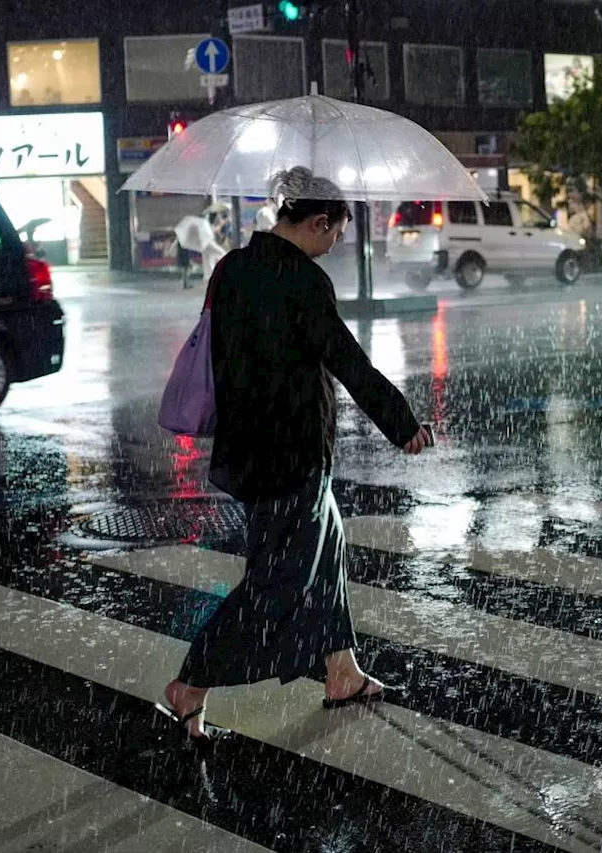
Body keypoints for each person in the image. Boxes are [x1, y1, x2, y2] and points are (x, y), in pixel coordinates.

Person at [160, 166, 431, 748]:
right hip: (291, 456)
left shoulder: (233, 267)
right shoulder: (302, 282)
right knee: (276, 582)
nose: (335, 245)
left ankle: (341, 672)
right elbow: (347, 359)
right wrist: (401, 423)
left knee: (326, 551)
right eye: (335, 234)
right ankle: (192, 685)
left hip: (253, 449)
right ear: (317, 221)